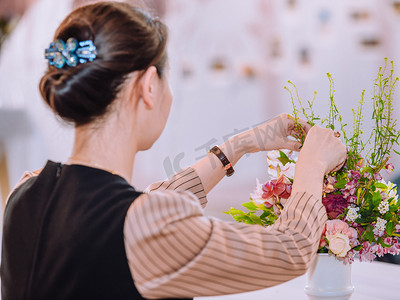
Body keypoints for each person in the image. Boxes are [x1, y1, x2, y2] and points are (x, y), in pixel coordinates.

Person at [1, 2, 347, 299]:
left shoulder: (25, 194)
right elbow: (288, 251)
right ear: (149, 86)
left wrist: (237, 146)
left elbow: (131, 213)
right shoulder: (144, 226)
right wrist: (312, 166)